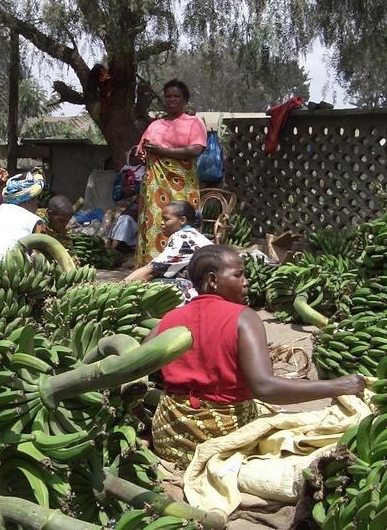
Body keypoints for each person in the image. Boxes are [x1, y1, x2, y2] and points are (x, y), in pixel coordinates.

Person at [149, 245, 367, 468]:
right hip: (220, 439)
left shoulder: (168, 319)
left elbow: (144, 367)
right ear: (213, 280)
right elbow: (264, 387)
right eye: (238, 274)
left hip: (171, 438)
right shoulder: (243, 318)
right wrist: (337, 386)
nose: (246, 281)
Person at [136, 79, 207, 267]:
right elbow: (142, 154)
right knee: (156, 224)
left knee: (183, 223)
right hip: (156, 187)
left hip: (183, 186)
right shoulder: (155, 125)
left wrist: (162, 151)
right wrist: (149, 151)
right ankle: (152, 268)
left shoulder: (194, 123)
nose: (172, 100)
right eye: (168, 96)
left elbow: (196, 150)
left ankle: (186, 268)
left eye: (176, 96)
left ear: (184, 99)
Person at [124, 201, 211, 302]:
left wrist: (119, 289)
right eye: (162, 219)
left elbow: (152, 270)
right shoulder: (193, 235)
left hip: (206, 293)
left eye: (166, 219)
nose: (161, 223)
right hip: (209, 286)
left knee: (154, 287)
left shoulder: (183, 238)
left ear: (182, 220)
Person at [0, 169, 47, 264]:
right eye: (36, 199)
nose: (37, 203)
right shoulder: (34, 221)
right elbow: (39, 259)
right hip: (5, 273)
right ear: (28, 201)